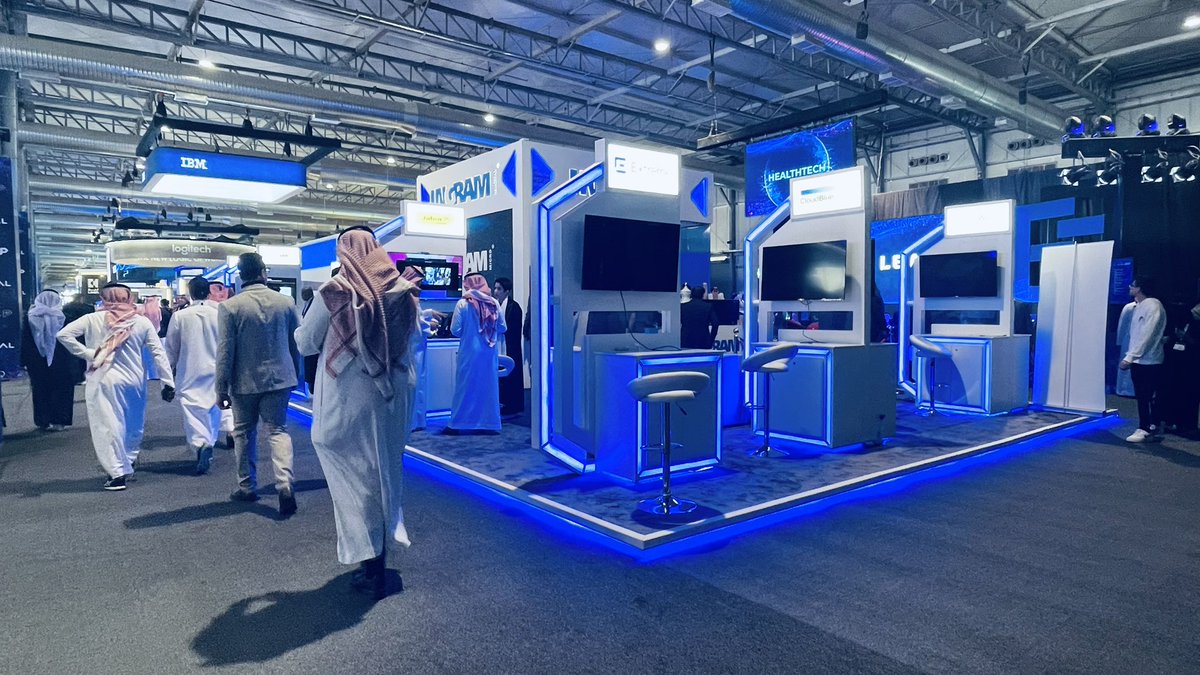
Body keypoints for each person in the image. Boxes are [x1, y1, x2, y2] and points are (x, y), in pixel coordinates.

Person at [296, 228, 421, 600]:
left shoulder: (336, 290)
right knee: (386, 472)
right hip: (396, 393)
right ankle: (381, 550)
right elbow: (414, 337)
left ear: (343, 251)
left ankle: (370, 561)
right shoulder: (402, 288)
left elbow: (306, 343)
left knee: (352, 476)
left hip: (351, 395)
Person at [56, 283, 175, 491]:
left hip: (103, 380)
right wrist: (168, 382)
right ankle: (128, 460)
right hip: (135, 381)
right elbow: (158, 352)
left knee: (107, 425)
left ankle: (116, 472)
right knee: (133, 423)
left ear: (103, 298)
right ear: (128, 297)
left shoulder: (92, 319)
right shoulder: (141, 321)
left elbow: (63, 335)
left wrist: (89, 354)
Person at [217, 253, 301, 515]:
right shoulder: (285, 302)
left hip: (244, 382)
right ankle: (285, 484)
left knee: (243, 432)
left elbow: (225, 351)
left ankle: (246, 486)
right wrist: (295, 374)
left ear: (240, 275)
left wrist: (221, 387)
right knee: (278, 430)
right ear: (263, 272)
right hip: (280, 379)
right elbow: (295, 342)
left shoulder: (230, 307)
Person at [165, 277, 222, 475]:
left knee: (191, 408)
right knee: (214, 407)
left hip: (189, 369)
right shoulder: (220, 314)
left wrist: (167, 375)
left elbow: (171, 347)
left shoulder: (180, 316)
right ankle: (209, 441)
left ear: (190, 293)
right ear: (209, 292)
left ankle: (200, 444)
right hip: (216, 369)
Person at [446, 272, 506, 434]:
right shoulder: (494, 302)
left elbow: (455, 330)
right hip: (488, 353)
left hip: (469, 353)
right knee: (488, 388)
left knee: (465, 388)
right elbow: (503, 327)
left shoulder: (463, 303)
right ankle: (489, 424)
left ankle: (458, 424)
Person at [1120, 275, 1166, 443]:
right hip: (1141, 360)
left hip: (1149, 360)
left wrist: (1130, 357)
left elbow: (1147, 335)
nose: (1130, 287)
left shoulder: (1153, 306)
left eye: (1133, 285)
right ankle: (1149, 425)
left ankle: (1146, 427)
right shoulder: (1139, 306)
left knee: (1146, 395)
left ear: (1139, 288)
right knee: (1142, 395)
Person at [21, 290, 75, 431]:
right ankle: (60, 420)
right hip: (61, 360)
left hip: (36, 361)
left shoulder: (29, 317)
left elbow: (25, 341)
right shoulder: (65, 317)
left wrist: (24, 362)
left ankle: (42, 420)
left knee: (40, 390)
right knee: (62, 390)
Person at [492, 276, 524, 418]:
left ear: (507, 291)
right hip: (499, 344)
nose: (496, 291)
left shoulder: (514, 307)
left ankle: (513, 405)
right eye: (495, 288)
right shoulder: (495, 306)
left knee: (512, 375)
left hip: (510, 346)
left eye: (499, 289)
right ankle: (503, 403)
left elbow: (513, 330)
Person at [208, 280, 235, 448]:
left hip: (211, 362)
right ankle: (231, 430)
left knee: (213, 398)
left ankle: (207, 436)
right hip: (229, 361)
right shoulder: (232, 310)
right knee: (228, 397)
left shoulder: (209, 312)